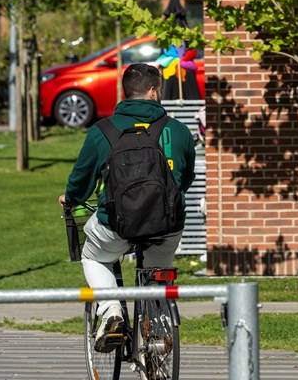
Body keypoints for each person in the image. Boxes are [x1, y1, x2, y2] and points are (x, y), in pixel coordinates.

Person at [59, 62, 197, 352]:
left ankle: (111, 311)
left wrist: (70, 200)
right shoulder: (179, 131)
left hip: (118, 225)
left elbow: (81, 181)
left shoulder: (102, 131)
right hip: (167, 224)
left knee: (94, 257)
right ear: (153, 91)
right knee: (158, 270)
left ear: (126, 92)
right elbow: (185, 179)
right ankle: (157, 332)